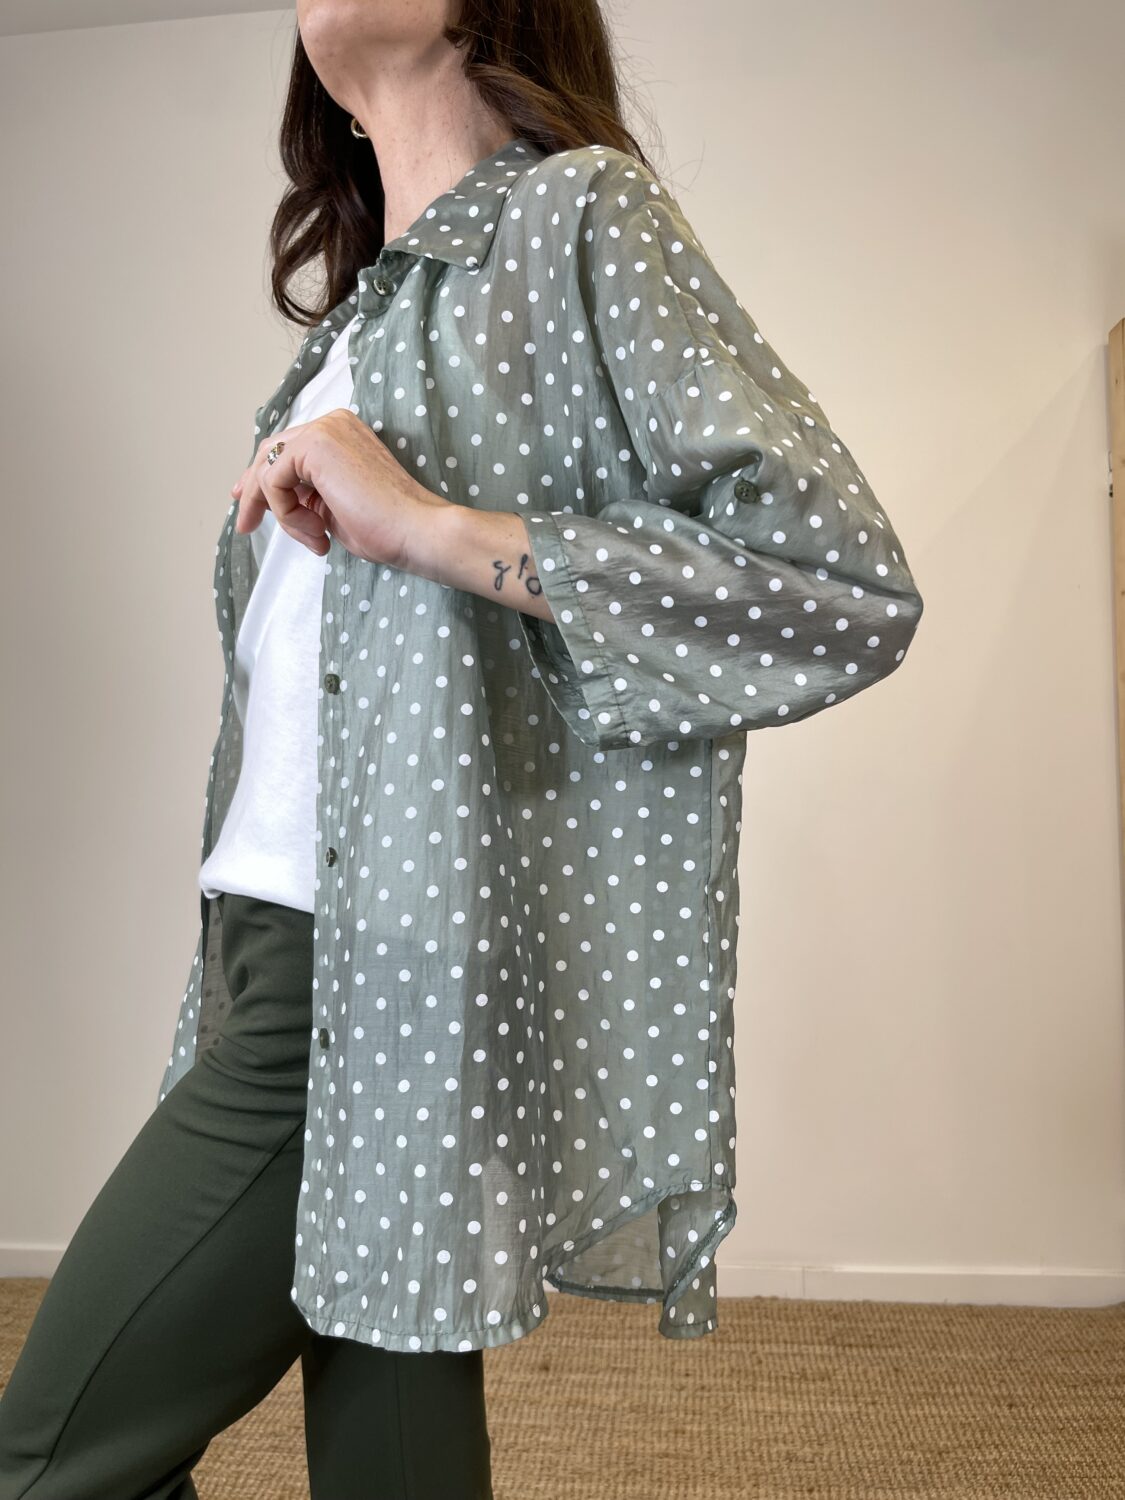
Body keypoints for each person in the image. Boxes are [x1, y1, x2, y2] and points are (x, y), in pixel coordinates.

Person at [0, 0, 925, 1495]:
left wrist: (428, 526)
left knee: (45, 1458)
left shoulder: (576, 217)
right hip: (267, 943)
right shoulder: (363, 316)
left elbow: (834, 585)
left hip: (368, 963)